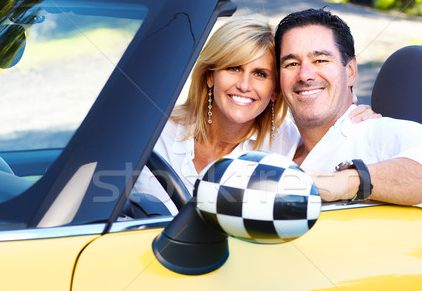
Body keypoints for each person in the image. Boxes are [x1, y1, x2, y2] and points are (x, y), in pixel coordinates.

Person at [132, 15, 377, 214]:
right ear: (210, 75)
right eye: (234, 68)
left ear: (274, 90)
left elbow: (335, 138)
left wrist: (359, 116)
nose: (244, 85)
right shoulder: (153, 128)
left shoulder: (288, 144)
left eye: (261, 74)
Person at [274, 8, 422, 213]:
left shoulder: (373, 132)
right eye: (291, 63)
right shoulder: (276, 142)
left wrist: (349, 181)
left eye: (321, 60)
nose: (305, 75)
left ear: (351, 71)